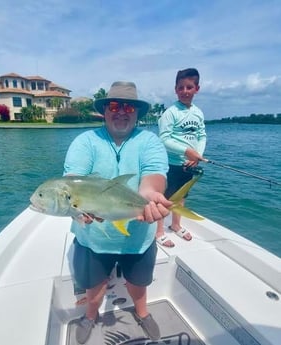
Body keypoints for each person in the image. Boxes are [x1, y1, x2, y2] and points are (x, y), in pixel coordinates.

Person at [63, 81, 173, 343]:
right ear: (105, 110)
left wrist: (150, 197)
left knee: (139, 284)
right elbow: (73, 180)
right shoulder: (85, 142)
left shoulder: (149, 141)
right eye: (114, 105)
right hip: (92, 238)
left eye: (128, 106)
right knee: (94, 287)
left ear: (136, 112)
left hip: (137, 237)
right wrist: (78, 210)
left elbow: (154, 176)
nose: (121, 111)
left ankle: (142, 312)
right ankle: (90, 315)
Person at [155, 68, 207, 247]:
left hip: (188, 164)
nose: (185, 91)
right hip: (170, 163)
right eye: (181, 87)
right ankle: (159, 231)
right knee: (164, 198)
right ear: (175, 89)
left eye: (189, 87)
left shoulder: (198, 113)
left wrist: (197, 154)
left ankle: (176, 224)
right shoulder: (170, 113)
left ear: (197, 89)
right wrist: (187, 151)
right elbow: (164, 138)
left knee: (182, 197)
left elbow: (201, 135)